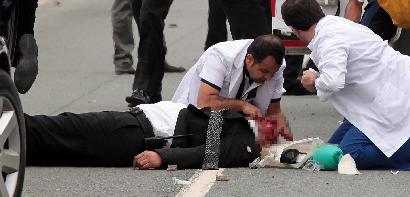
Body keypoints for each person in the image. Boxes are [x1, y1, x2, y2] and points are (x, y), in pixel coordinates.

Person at [280, 0, 410, 171]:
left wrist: (315, 81)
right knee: (332, 149)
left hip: (398, 103)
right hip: (398, 95)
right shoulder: (335, 25)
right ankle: (405, 140)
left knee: (347, 156)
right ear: (319, 9)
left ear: (294, 29)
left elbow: (333, 82)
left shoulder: (328, 39)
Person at [25, 101, 260, 169]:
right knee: (50, 145)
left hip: (137, 132)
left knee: (52, 131)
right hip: (134, 126)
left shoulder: (247, 141)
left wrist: (163, 157)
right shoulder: (239, 123)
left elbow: (210, 154)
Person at [172, 34, 292, 138]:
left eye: (273, 73)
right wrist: (243, 105)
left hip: (230, 120)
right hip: (191, 118)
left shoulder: (275, 66)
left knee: (262, 143)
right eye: (264, 71)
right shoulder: (221, 56)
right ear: (249, 59)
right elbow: (205, 102)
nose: (269, 78)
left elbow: (274, 112)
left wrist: (285, 139)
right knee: (224, 150)